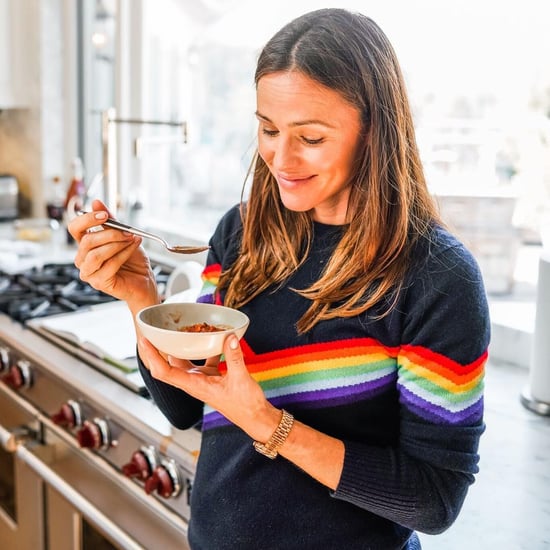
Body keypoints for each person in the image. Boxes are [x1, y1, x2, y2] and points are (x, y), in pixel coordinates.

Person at [69, 8, 490, 550]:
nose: (281, 158)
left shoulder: (438, 279)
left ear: (375, 133)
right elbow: (186, 406)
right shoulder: (243, 233)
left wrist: (268, 424)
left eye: (310, 137)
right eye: (268, 129)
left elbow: (434, 501)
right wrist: (140, 297)